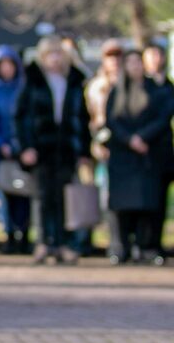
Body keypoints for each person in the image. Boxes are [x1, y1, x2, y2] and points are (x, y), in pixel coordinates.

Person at [14, 36, 91, 264]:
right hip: (41, 149)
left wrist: (84, 151)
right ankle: (44, 242)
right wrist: (26, 147)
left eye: (58, 54)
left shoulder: (74, 81)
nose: (55, 59)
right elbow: (21, 117)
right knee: (42, 197)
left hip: (66, 149)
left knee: (63, 198)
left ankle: (63, 243)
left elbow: (82, 119)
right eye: (50, 54)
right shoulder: (32, 81)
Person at [105, 50, 168, 264]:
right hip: (123, 156)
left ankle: (146, 246)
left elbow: (163, 117)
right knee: (122, 206)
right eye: (130, 63)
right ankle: (121, 246)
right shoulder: (117, 91)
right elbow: (111, 120)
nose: (134, 67)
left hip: (147, 155)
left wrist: (142, 137)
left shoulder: (155, 90)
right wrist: (129, 139)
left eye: (137, 62)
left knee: (147, 204)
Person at [0, 45, 31, 254]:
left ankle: (24, 234)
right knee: (5, 192)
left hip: (23, 149)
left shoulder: (24, 88)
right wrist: (0, 143)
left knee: (25, 192)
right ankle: (9, 233)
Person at [86, 39, 125, 261]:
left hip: (124, 148)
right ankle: (112, 242)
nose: (114, 62)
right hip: (102, 149)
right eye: (110, 57)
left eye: (118, 56)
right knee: (105, 196)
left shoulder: (130, 84)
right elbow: (92, 118)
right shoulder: (97, 86)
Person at [142, 42, 174, 259]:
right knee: (145, 199)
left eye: (157, 55)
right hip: (142, 153)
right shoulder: (140, 86)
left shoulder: (169, 86)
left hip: (162, 151)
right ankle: (143, 243)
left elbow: (165, 117)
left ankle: (156, 243)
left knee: (160, 200)